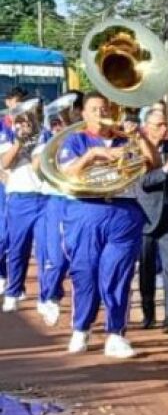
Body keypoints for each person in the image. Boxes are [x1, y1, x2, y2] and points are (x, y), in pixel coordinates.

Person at [58, 92, 148, 358]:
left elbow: (152, 163)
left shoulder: (127, 139)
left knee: (118, 274)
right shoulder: (75, 140)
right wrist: (94, 153)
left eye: (105, 108)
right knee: (85, 273)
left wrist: (140, 136)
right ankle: (81, 328)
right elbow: (67, 172)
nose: (101, 113)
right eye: (94, 109)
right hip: (87, 209)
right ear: (84, 114)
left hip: (124, 211)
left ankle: (116, 333)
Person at [136, 109, 168, 332]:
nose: (164, 129)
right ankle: (148, 314)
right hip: (146, 216)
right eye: (158, 125)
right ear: (147, 126)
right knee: (146, 269)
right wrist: (167, 168)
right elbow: (145, 182)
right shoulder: (138, 147)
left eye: (165, 124)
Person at [33, 94, 79, 326]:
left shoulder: (83, 139)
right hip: (57, 201)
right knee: (57, 257)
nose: (62, 122)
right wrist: (55, 142)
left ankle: (82, 318)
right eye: (60, 118)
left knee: (82, 261)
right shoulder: (47, 140)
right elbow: (37, 169)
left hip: (82, 202)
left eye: (69, 114)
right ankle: (51, 296)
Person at [0, 99, 46, 313]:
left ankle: (47, 297)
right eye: (22, 117)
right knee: (18, 248)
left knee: (47, 251)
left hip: (44, 198)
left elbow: (39, 168)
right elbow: (5, 163)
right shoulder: (8, 135)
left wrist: (37, 145)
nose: (26, 121)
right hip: (20, 199)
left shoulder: (46, 135)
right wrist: (20, 141)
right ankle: (13, 291)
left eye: (30, 116)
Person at [0, 87, 27, 296]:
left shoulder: (31, 125)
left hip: (18, 187)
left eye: (22, 102)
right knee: (2, 235)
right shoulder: (2, 125)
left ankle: (16, 281)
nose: (18, 106)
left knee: (14, 237)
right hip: (3, 186)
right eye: (15, 102)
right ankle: (2, 275)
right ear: (8, 102)